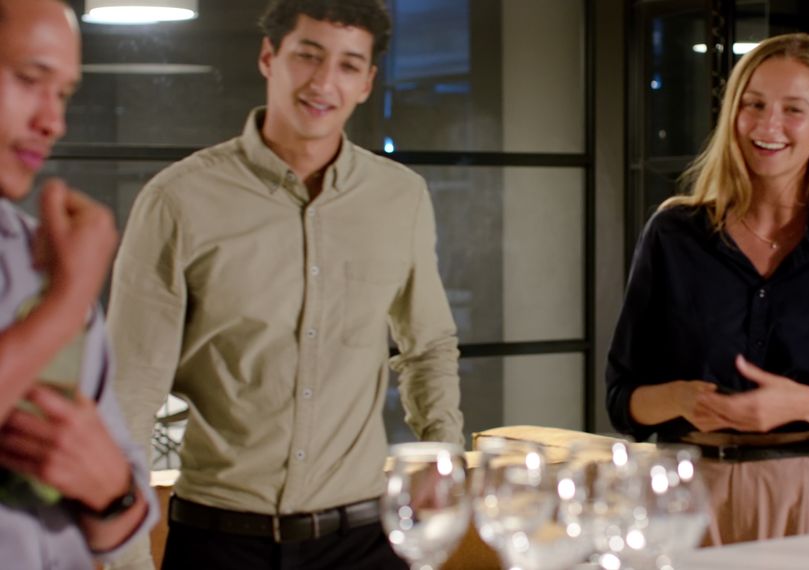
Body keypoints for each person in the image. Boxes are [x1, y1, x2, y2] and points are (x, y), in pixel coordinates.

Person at [106, 0, 464, 568]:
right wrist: (124, 557)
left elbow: (429, 347)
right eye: (309, 56)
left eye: (349, 65)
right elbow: (130, 388)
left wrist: (442, 456)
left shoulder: (401, 198)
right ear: (269, 57)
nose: (324, 82)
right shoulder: (178, 201)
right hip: (220, 542)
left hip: (363, 541)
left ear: (368, 83)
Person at [606, 33, 809, 544]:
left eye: (792, 109)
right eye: (752, 104)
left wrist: (802, 403)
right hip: (684, 496)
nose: (767, 125)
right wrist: (681, 398)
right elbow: (623, 398)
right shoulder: (673, 233)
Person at [0, 0, 158, 567]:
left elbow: (126, 509)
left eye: (63, 93)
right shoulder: (67, 282)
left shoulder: (47, 255)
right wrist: (64, 308)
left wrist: (107, 488)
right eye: (28, 80)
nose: (53, 121)